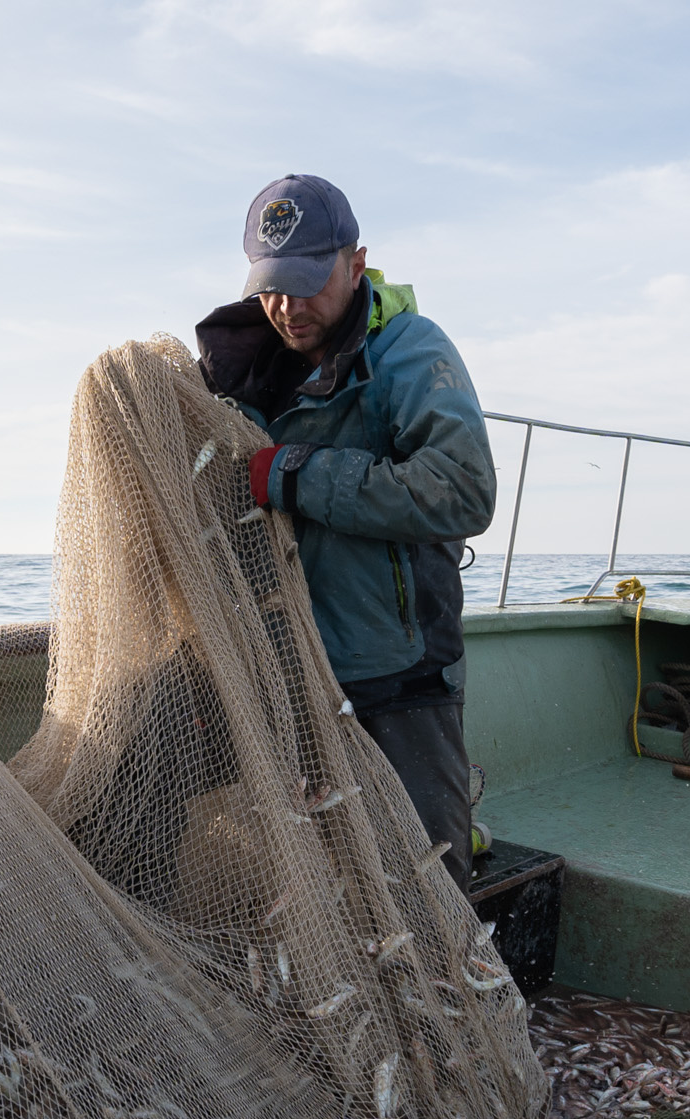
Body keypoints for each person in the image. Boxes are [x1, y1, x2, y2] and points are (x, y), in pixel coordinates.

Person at [197, 174, 495, 892]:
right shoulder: (234, 371)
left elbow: (463, 488)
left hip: (400, 665)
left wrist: (298, 473)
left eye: (307, 282)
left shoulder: (410, 351)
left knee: (430, 880)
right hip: (283, 664)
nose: (288, 308)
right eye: (272, 287)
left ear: (355, 264)